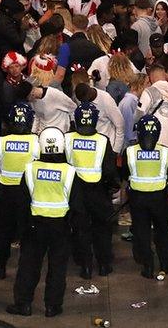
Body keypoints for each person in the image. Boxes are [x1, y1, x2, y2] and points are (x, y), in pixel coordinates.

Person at [6, 126, 85, 317]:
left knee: (28, 266)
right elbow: (78, 206)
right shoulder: (70, 171)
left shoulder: (31, 168)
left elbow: (22, 202)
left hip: (35, 225)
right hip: (61, 226)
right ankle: (53, 307)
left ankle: (23, 305)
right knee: (58, 268)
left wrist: (21, 229)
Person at [65, 102, 120, 278]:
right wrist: (112, 186)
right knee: (102, 229)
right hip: (98, 191)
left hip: (75, 192)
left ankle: (85, 267)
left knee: (80, 229)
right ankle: (104, 265)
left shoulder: (68, 138)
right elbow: (110, 170)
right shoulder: (103, 141)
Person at [0, 103, 40, 279]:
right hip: (27, 193)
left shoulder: (0, 142)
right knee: (28, 232)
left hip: (7, 192)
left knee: (3, 231)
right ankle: (26, 269)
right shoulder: (35, 141)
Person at [123, 115, 168, 278]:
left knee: (141, 233)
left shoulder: (130, 152)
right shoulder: (166, 152)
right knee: (163, 231)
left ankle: (147, 266)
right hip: (159, 199)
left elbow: (125, 174)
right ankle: (165, 264)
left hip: (138, 199)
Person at [134, 64, 168, 152]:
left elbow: (139, 117)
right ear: (165, 75)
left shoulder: (149, 92)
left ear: (151, 77)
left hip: (155, 143)